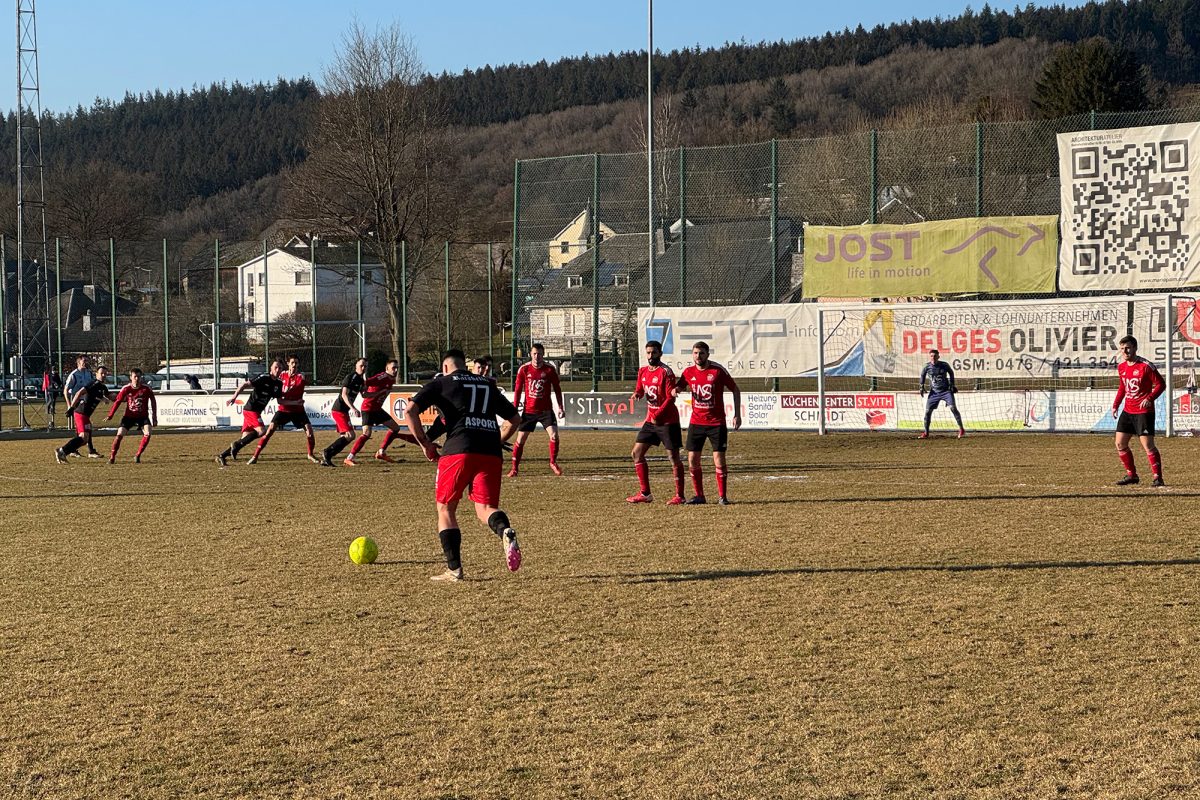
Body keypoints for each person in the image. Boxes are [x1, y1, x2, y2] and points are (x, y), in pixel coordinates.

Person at [404, 348, 524, 582]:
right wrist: (496, 440)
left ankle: (454, 570)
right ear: (465, 365)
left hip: (458, 451)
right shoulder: (487, 384)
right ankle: (504, 531)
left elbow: (410, 411)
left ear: (445, 367)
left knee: (446, 508)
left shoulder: (442, 383)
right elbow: (515, 420)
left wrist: (425, 443)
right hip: (490, 453)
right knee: (485, 508)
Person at [677, 341, 741, 505]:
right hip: (696, 422)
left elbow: (735, 389)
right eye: (696, 353)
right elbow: (679, 387)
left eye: (702, 353)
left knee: (719, 459)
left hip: (716, 423)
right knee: (692, 459)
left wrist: (737, 414)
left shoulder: (717, 371)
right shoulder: (688, 372)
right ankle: (699, 496)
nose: (698, 356)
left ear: (708, 354)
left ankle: (722, 497)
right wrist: (674, 390)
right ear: (692, 354)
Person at [627, 340, 686, 505]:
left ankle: (680, 496)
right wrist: (637, 394)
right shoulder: (643, 371)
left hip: (667, 420)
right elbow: (640, 388)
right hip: (651, 420)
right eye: (648, 353)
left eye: (653, 352)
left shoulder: (666, 372)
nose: (650, 356)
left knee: (673, 457)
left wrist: (659, 413)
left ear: (660, 353)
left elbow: (670, 397)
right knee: (636, 454)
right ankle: (645, 493)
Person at [1112, 335, 1166, 487]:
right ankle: (1132, 475)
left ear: (1135, 348)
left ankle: (1158, 477)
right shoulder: (1121, 367)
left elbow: (1161, 385)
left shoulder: (1146, 366)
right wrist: (1116, 404)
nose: (1125, 351)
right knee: (1120, 444)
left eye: (1128, 348)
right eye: (1122, 348)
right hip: (1128, 411)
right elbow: (1123, 387)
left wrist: (1149, 398)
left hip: (1144, 412)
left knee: (1148, 446)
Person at [245, 355, 319, 464]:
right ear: (288, 363)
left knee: (310, 432)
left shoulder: (300, 377)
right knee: (269, 431)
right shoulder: (281, 376)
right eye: (292, 362)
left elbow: (304, 384)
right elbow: (276, 387)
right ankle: (255, 456)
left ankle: (310, 454)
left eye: (296, 363)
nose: (294, 365)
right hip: (283, 410)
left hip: (298, 410)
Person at [342, 359, 415, 466]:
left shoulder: (392, 380)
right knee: (367, 434)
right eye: (393, 368)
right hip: (368, 408)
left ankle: (381, 452)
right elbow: (366, 383)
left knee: (395, 428)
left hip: (377, 409)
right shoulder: (382, 377)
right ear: (387, 369)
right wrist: (366, 392)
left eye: (397, 368)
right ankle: (349, 457)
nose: (395, 370)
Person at [508, 342, 565, 476]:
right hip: (529, 411)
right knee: (520, 439)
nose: (536, 356)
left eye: (539, 354)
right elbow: (517, 390)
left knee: (554, 435)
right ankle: (514, 468)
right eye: (534, 353)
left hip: (546, 411)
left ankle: (553, 462)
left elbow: (557, 389)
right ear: (530, 354)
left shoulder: (549, 369)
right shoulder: (524, 369)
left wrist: (560, 407)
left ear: (543, 354)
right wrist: (515, 408)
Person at [215, 359, 284, 466]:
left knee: (244, 439)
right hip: (251, 409)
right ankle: (236, 445)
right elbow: (244, 385)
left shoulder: (279, 383)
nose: (278, 369)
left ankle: (222, 456)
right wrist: (234, 397)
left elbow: (280, 400)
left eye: (280, 368)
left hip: (256, 412)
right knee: (262, 431)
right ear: (271, 368)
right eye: (276, 367)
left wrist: (295, 400)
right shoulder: (264, 377)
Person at [55, 365, 115, 463]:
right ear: (96, 374)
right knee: (83, 437)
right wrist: (71, 407)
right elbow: (79, 393)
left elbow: (110, 396)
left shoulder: (102, 387)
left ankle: (66, 451)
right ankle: (62, 450)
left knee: (84, 439)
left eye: (105, 374)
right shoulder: (93, 383)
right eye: (101, 373)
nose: (104, 375)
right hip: (81, 413)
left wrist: (123, 397)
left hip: (85, 415)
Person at [320, 357, 367, 466]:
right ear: (356, 366)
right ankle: (327, 452)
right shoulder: (350, 377)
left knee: (345, 437)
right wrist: (353, 408)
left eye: (365, 366)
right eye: (361, 365)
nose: (363, 368)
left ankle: (327, 457)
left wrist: (380, 392)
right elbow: (344, 395)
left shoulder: (361, 380)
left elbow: (364, 395)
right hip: (339, 409)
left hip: (343, 411)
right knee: (350, 435)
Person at [105, 367, 158, 463]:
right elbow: (118, 401)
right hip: (129, 417)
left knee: (148, 433)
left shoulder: (146, 389)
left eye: (138, 376)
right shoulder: (126, 388)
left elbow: (153, 402)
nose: (137, 379)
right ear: (131, 377)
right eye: (135, 377)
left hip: (143, 417)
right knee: (119, 435)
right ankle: (112, 457)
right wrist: (111, 414)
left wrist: (154, 417)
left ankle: (138, 455)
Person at [918, 349, 965, 439]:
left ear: (938, 357)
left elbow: (951, 373)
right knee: (927, 412)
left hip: (946, 391)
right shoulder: (927, 366)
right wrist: (921, 386)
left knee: (953, 408)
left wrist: (952, 385)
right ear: (930, 357)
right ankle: (926, 433)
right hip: (934, 392)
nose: (933, 358)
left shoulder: (944, 365)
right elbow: (922, 375)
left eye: (935, 356)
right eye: (931, 356)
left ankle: (961, 429)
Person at [63, 355, 101, 457]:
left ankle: (75, 450)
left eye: (87, 361)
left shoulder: (88, 373)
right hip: (77, 403)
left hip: (86, 402)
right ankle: (89, 451)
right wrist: (69, 405)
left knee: (84, 427)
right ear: (78, 363)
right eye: (84, 361)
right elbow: (65, 390)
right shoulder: (74, 375)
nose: (86, 363)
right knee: (85, 427)